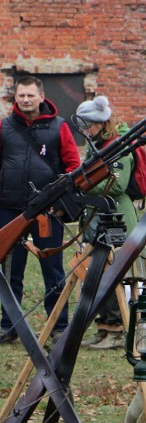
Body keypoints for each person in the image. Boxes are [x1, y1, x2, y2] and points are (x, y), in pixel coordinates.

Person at [0, 76, 80, 343]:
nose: (25, 100)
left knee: (53, 269)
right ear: (16, 98)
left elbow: (73, 168)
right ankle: (10, 325)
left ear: (41, 96)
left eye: (30, 95)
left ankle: (59, 327)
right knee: (11, 271)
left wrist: (59, 203)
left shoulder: (59, 127)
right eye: (21, 95)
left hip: (47, 211)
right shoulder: (4, 127)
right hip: (9, 209)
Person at [74, 96, 139, 349]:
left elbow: (117, 184)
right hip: (95, 218)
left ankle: (116, 329)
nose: (85, 130)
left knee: (112, 276)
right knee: (94, 274)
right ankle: (103, 328)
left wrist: (83, 186)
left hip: (116, 219)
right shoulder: (96, 145)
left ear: (102, 123)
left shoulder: (117, 145)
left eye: (88, 125)